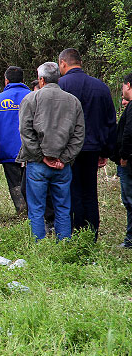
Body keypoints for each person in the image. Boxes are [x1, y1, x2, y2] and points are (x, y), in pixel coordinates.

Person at [17, 62, 85, 240]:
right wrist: (64, 158)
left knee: (36, 208)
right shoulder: (73, 101)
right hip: (63, 165)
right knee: (63, 206)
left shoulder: (31, 99)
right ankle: (64, 242)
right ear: (59, 78)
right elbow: (78, 135)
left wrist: (42, 156)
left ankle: (39, 245)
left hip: (38, 164)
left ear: (41, 79)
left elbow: (25, 132)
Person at [57, 48, 117, 241]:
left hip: (68, 149)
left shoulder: (60, 85)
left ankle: (75, 232)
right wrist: (106, 150)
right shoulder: (100, 87)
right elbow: (110, 121)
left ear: (63, 63)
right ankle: (92, 234)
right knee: (90, 192)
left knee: (72, 190)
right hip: (93, 148)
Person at [0, 66, 31, 214]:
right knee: (32, 181)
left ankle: (21, 210)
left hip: (7, 151)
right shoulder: (34, 96)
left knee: (14, 182)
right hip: (32, 150)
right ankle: (34, 211)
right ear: (23, 80)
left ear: (6, 81)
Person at [112, 73, 132, 248]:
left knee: (129, 199)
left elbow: (128, 134)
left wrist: (124, 156)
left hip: (129, 162)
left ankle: (130, 239)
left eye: (123, 87)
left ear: (128, 85)